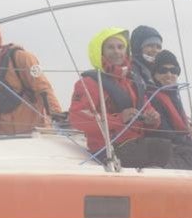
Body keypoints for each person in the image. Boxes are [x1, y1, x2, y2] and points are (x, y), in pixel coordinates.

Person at [68, 27, 170, 168]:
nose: (117, 52)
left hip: (133, 142)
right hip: (107, 148)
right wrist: (119, 118)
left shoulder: (133, 81)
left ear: (126, 51)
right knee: (160, 148)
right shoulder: (89, 82)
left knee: (170, 147)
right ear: (100, 51)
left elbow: (148, 108)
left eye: (120, 47)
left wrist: (153, 118)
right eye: (110, 47)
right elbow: (77, 117)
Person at [0, 17, 61, 136]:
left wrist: (57, 115)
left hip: (36, 132)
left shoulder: (22, 58)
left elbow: (43, 87)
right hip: (8, 139)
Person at [128, 25, 163, 93]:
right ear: (138, 47)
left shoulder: (163, 71)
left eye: (158, 47)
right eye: (150, 45)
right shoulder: (131, 70)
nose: (155, 50)